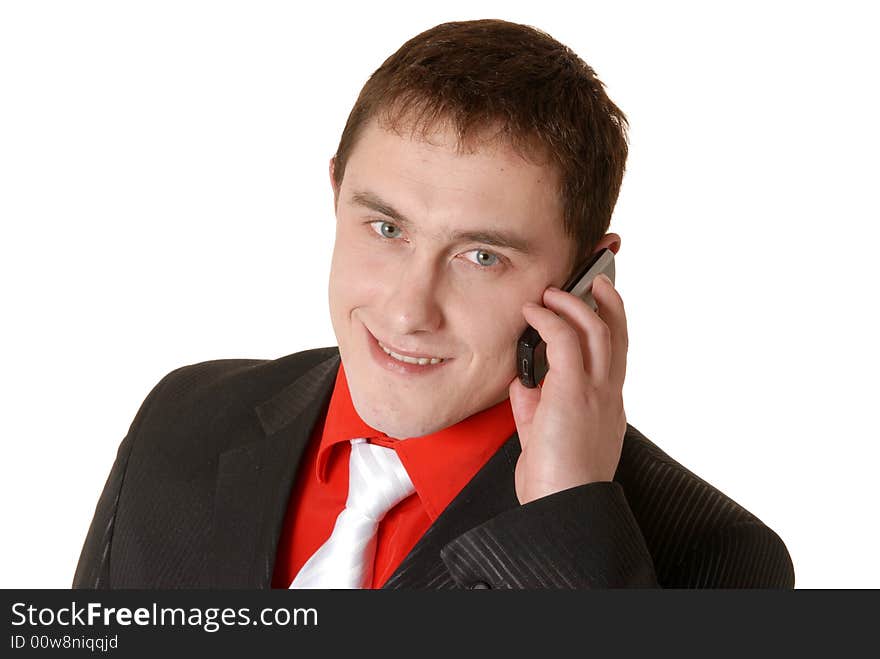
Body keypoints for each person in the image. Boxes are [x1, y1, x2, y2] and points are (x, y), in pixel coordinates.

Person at [73, 18, 794, 589]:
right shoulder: (182, 418)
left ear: (587, 279)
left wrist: (566, 521)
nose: (410, 308)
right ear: (335, 195)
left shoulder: (720, 561)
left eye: (481, 256)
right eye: (385, 227)